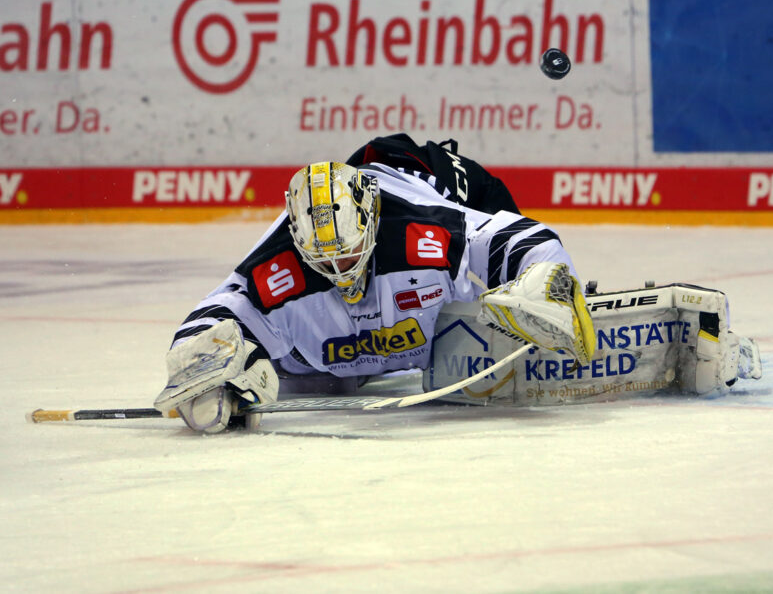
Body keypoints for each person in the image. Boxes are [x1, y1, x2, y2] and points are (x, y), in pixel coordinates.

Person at [153, 134, 596, 433]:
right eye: (323, 259)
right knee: (321, 378)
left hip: (439, 178)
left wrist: (544, 282)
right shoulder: (281, 256)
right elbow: (221, 310)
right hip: (360, 217)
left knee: (508, 254)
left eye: (347, 253)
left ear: (370, 222)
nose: (340, 269)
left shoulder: (420, 226)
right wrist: (209, 371)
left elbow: (518, 234)